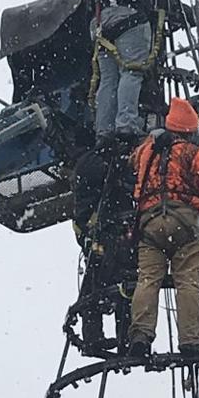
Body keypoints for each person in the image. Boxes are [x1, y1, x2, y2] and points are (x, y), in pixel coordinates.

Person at [127, 98, 199, 359]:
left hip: (149, 224)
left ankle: (141, 335)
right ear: (190, 130)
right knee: (188, 281)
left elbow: (131, 167)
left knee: (147, 279)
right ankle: (190, 340)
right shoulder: (196, 155)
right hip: (183, 224)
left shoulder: (146, 150)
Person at [84, 0, 180, 141]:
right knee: (132, 70)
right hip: (129, 17)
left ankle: (104, 130)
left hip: (99, 22)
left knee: (108, 79)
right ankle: (126, 124)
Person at [69, 137, 137, 355]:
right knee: (118, 281)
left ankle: (96, 337)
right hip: (101, 229)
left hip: (99, 229)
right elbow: (118, 180)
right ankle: (123, 338)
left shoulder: (87, 163)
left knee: (105, 281)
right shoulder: (96, 165)